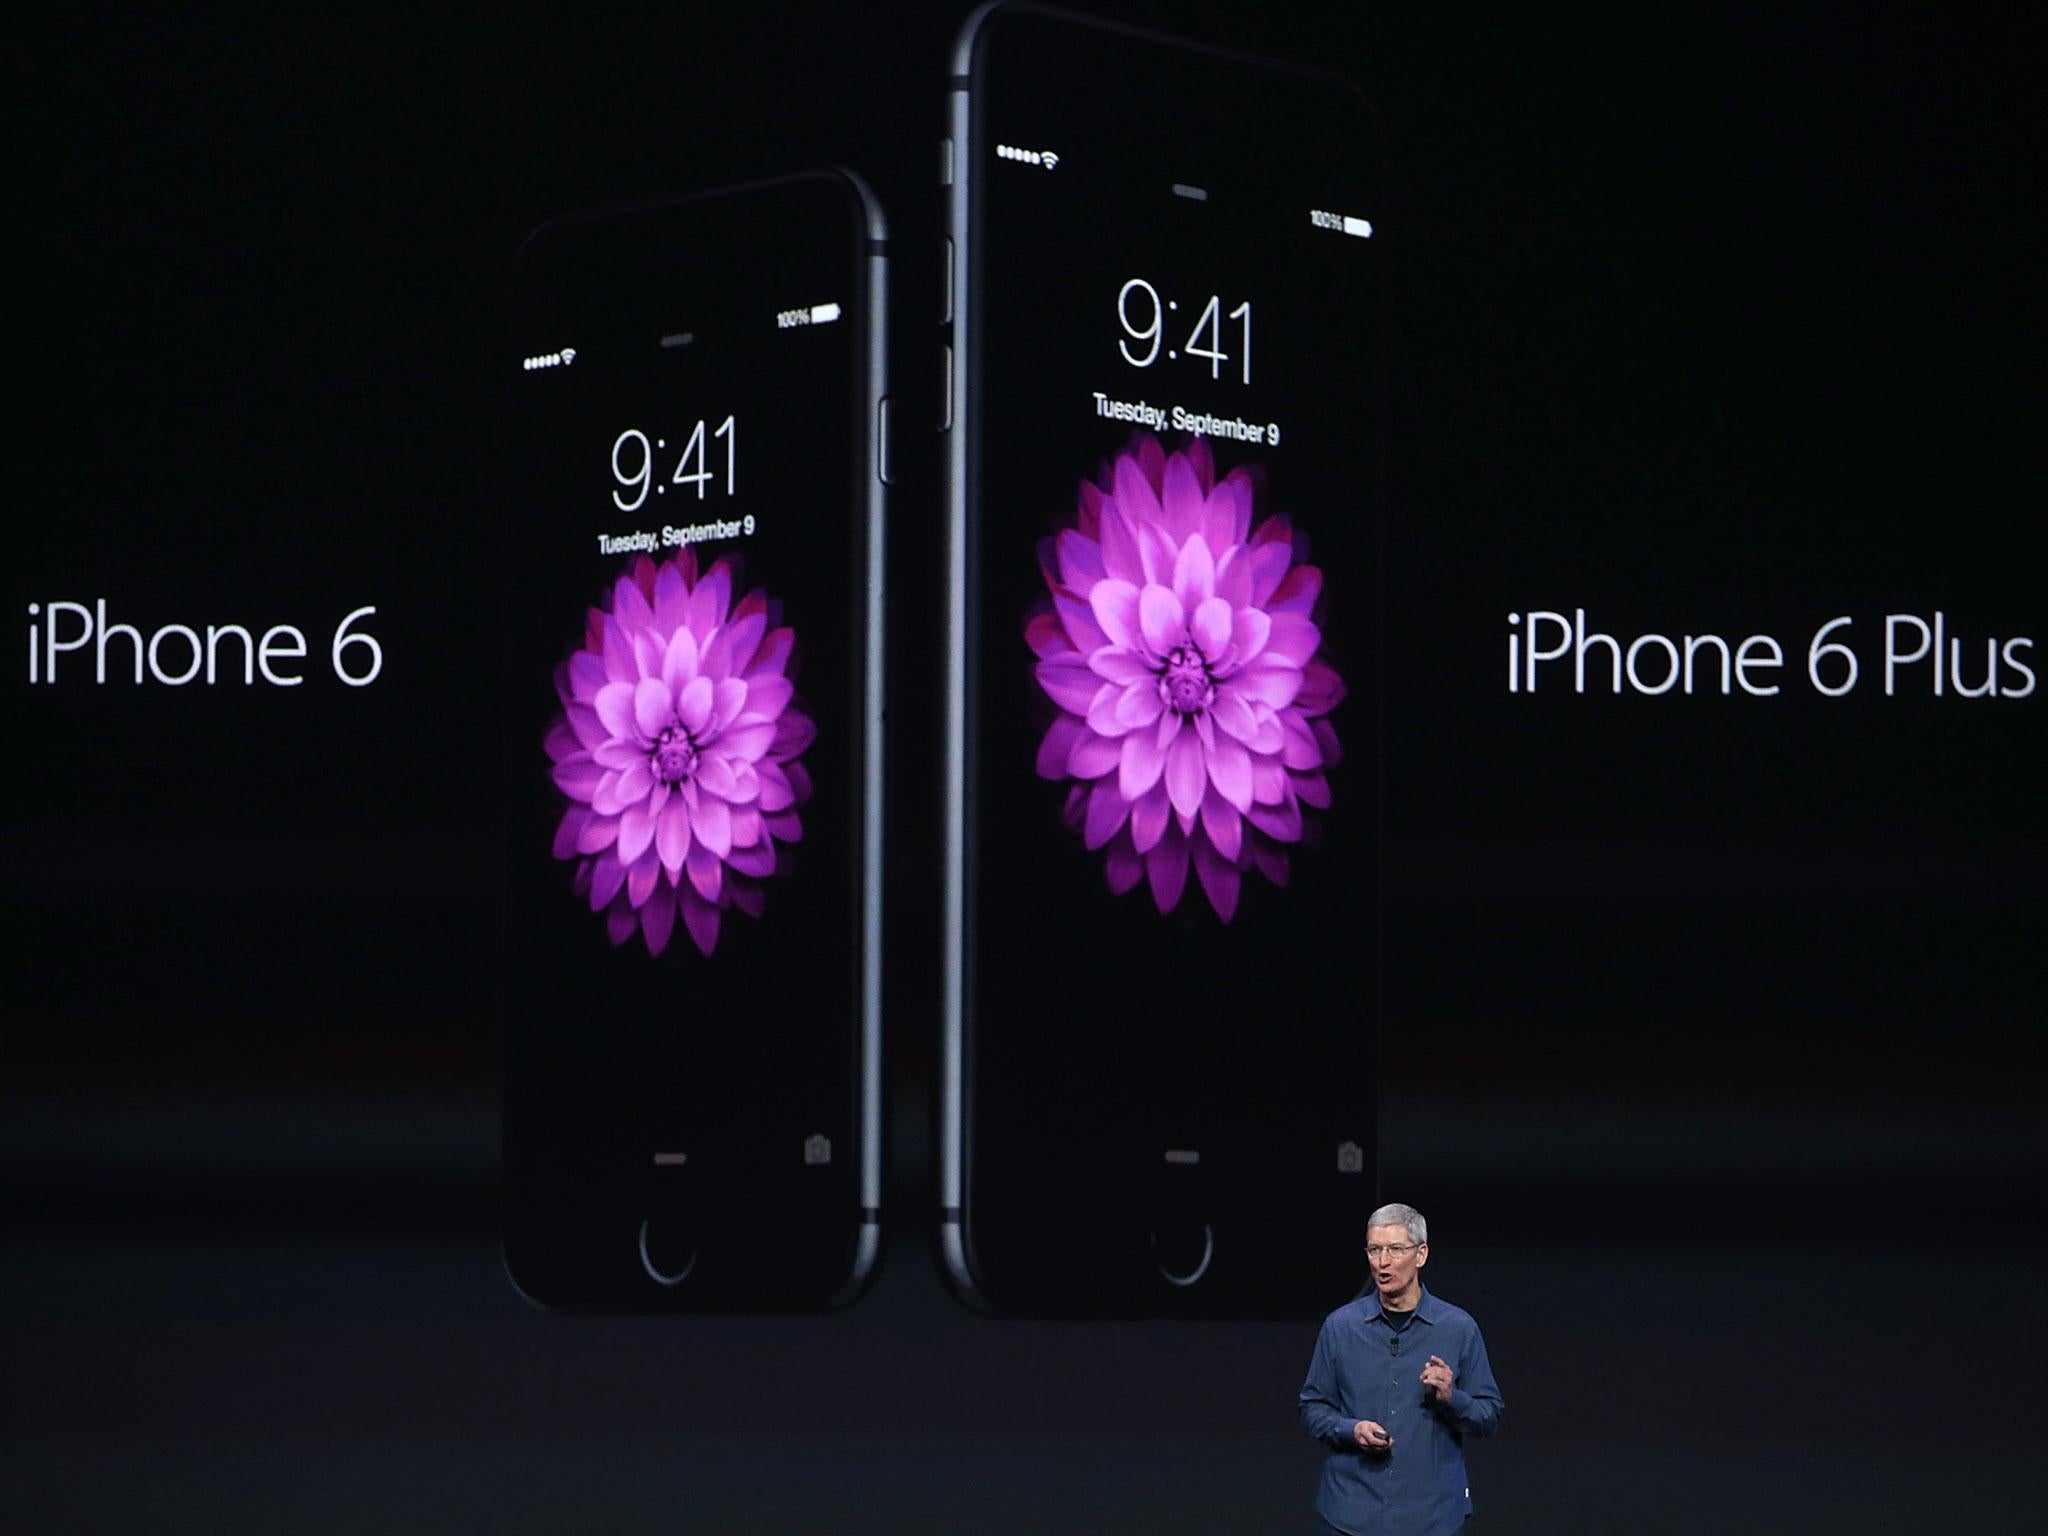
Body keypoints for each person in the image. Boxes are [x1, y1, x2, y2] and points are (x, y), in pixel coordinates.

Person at [1298, 1203, 1504, 1535]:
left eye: (1395, 1249)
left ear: (1421, 1254)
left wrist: (1452, 1397)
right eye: (1374, 1249)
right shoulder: (1341, 1327)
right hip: (1350, 1515)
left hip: (1432, 1518)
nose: (1382, 1262)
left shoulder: (1458, 1328)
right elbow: (1312, 1406)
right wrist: (1351, 1429)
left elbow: (1489, 1415)